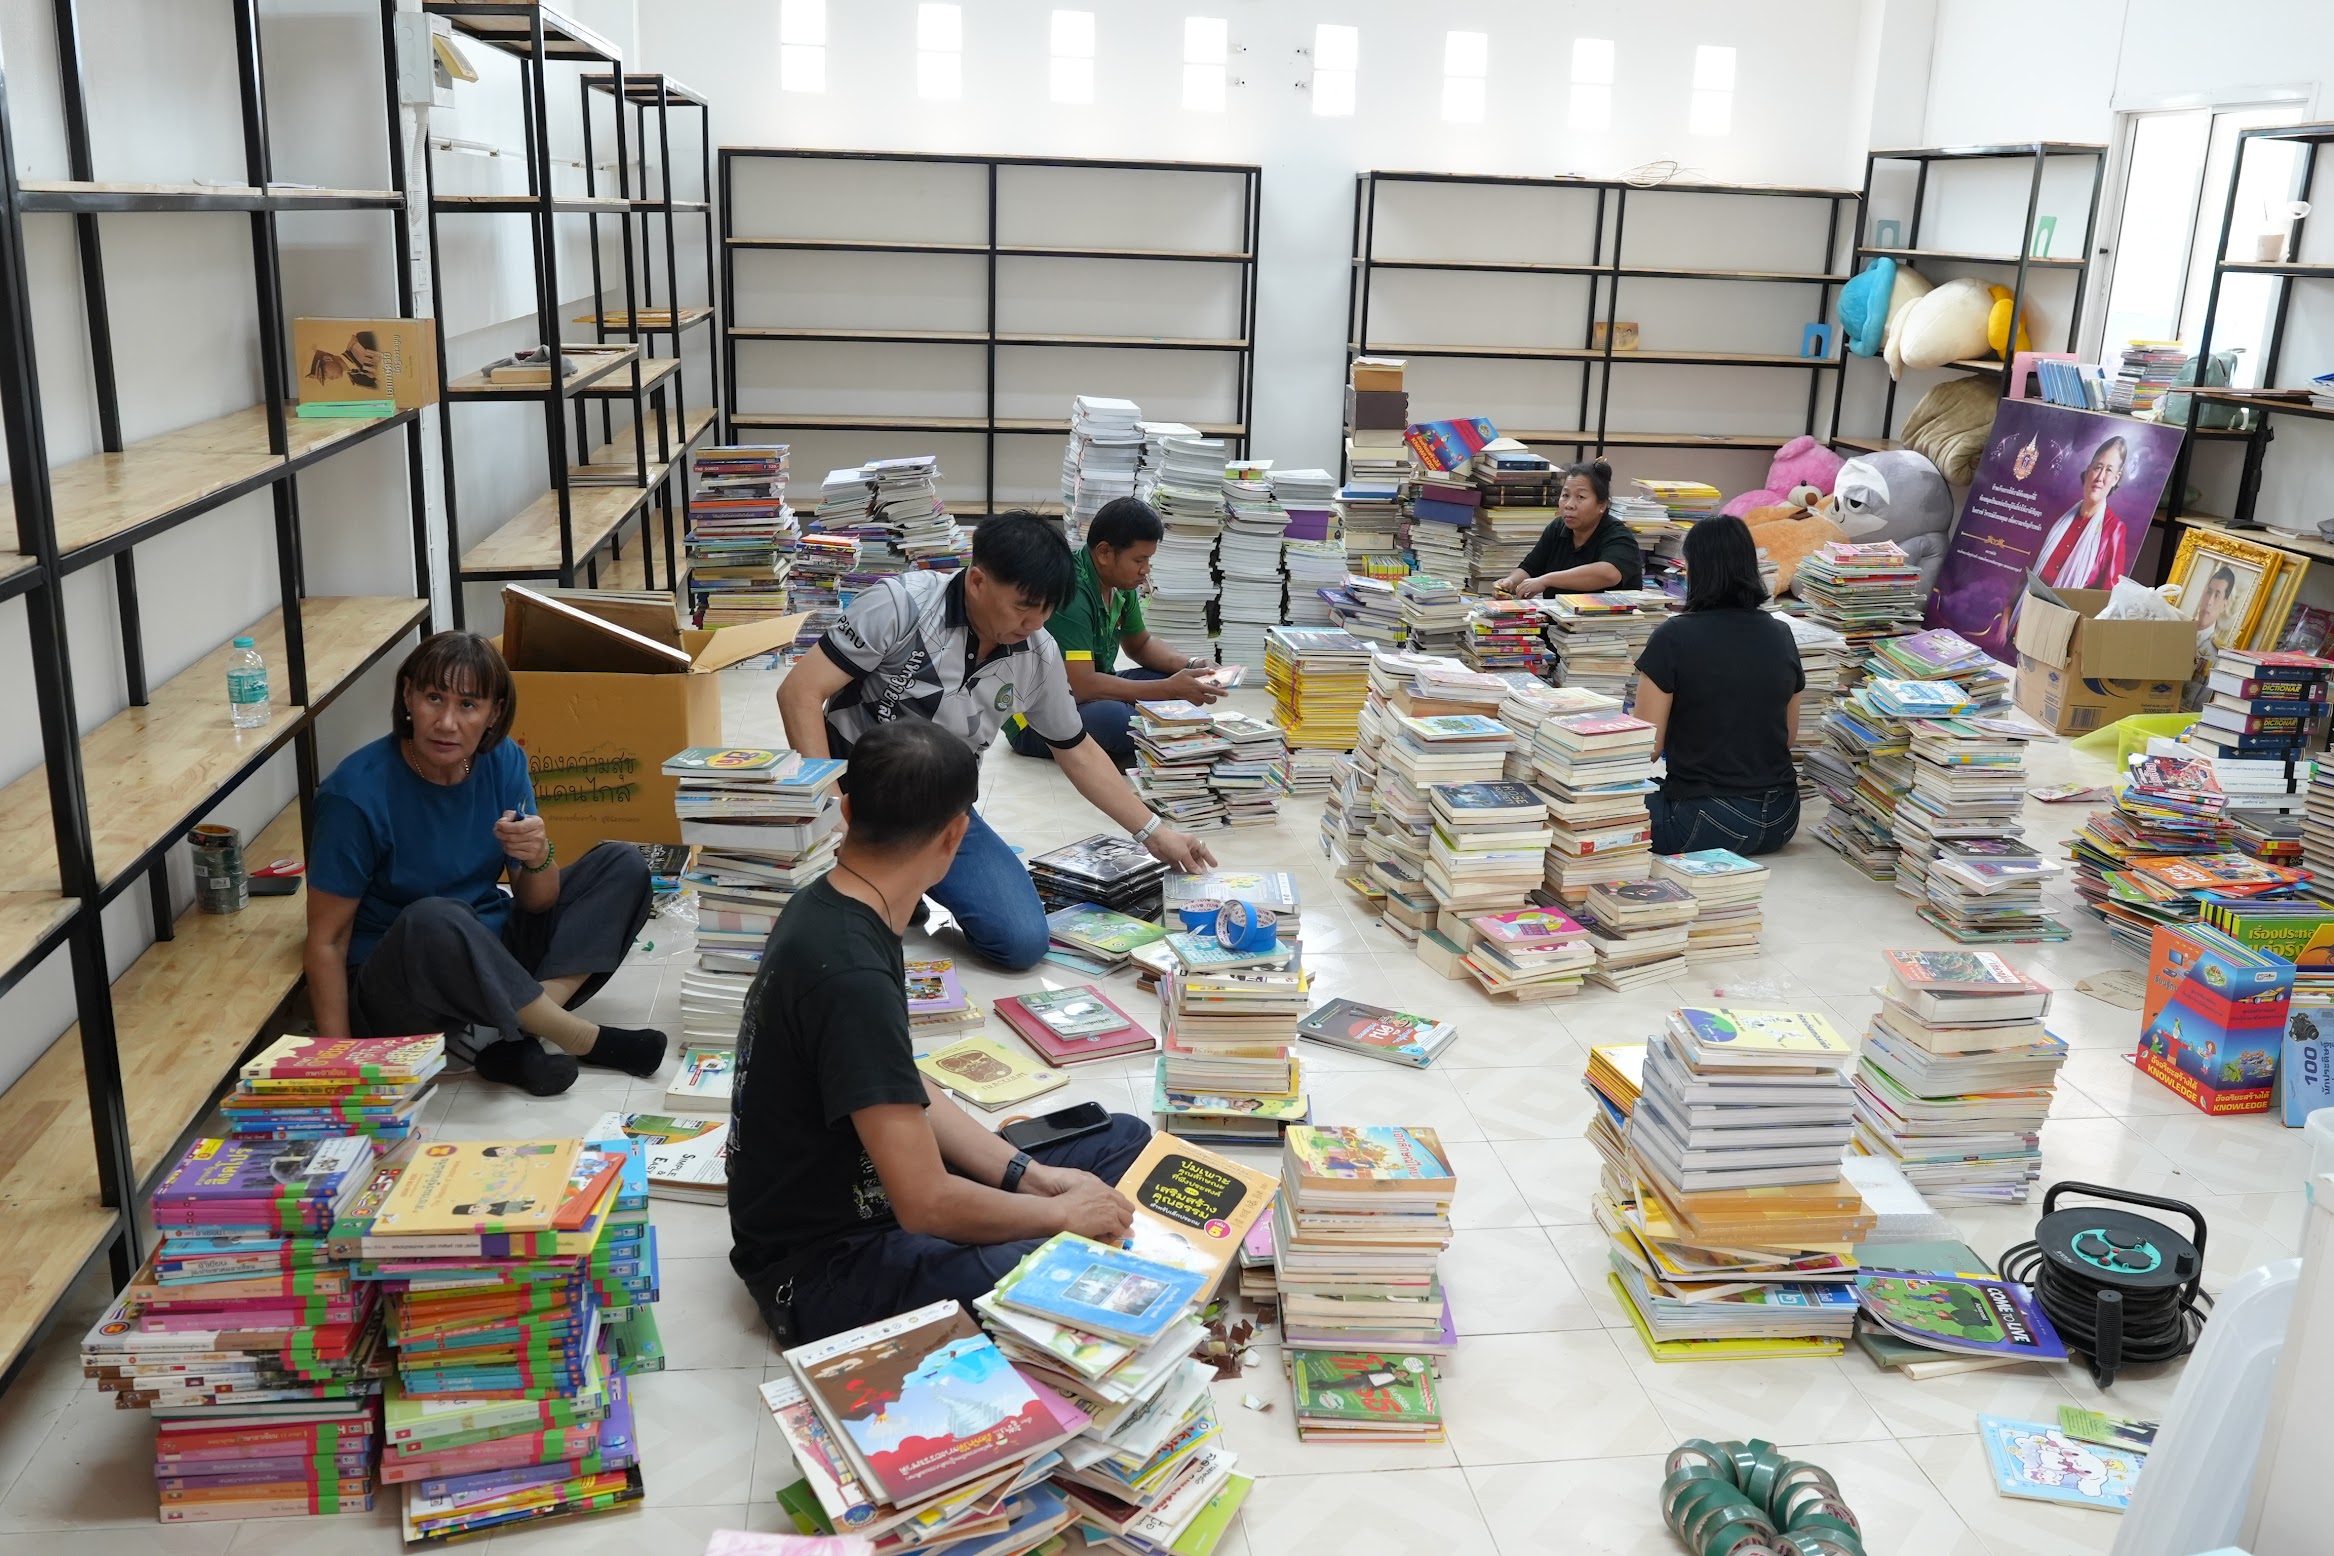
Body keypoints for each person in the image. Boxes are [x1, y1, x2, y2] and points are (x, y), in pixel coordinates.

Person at [727, 720, 1151, 1343]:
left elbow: (903, 1086)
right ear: (956, 834)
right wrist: (1058, 1215)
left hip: (876, 1193)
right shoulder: (849, 971)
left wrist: (1029, 1177)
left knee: (1124, 1139)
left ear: (847, 809)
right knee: (1043, 1268)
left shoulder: (834, 903)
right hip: (826, 1263)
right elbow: (925, 1203)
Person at [776, 512, 1216, 971]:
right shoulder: (901, 605)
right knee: (818, 926)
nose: (1034, 622)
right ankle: (893, 874)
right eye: (1024, 605)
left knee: (1021, 941)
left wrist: (1155, 833)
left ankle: (904, 875)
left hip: (941, 807)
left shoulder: (1039, 652)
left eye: (1046, 609)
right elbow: (799, 692)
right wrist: (830, 811)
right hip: (854, 792)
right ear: (978, 581)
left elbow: (1077, 749)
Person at [303, 632, 667, 1097]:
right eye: (434, 698)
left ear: (494, 712)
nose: (447, 723)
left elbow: (538, 902)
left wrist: (538, 855)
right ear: (408, 696)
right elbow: (327, 940)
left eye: (468, 705)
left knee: (622, 863)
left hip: (489, 949)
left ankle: (522, 1032)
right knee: (436, 917)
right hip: (405, 980)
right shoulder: (353, 793)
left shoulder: (503, 760)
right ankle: (576, 1036)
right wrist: (339, 1063)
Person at [1631, 515, 1805, 856]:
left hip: (1701, 817)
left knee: (1592, 807)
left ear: (1697, 569)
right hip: (1782, 818)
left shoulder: (1673, 635)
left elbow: (1645, 748)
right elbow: (1788, 737)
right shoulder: (1781, 633)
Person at [1005, 496, 1225, 762]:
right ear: (1105, 552)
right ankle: (1144, 743)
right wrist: (1168, 689)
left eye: (1148, 560)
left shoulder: (1120, 584)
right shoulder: (1071, 592)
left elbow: (1140, 644)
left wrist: (1191, 665)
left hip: (1090, 690)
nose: (1145, 570)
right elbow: (1083, 685)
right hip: (1038, 717)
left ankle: (1145, 740)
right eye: (1139, 560)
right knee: (1116, 719)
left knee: (1169, 679)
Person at [1494, 458, 1645, 598]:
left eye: (1581, 497)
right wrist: (1510, 582)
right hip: (1556, 617)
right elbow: (1529, 568)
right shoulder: (1557, 528)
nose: (1569, 505)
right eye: (1565, 495)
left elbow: (1608, 574)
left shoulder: (1618, 536)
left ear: (1602, 505)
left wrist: (1546, 580)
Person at [2033, 435, 2133, 590]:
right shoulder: (2059, 516)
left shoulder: (2114, 529)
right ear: (2088, 471)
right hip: (2030, 601)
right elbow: (2030, 568)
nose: (2100, 477)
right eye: (2098, 467)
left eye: (2109, 470)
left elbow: (2108, 594)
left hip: (2071, 607)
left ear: (2116, 478)